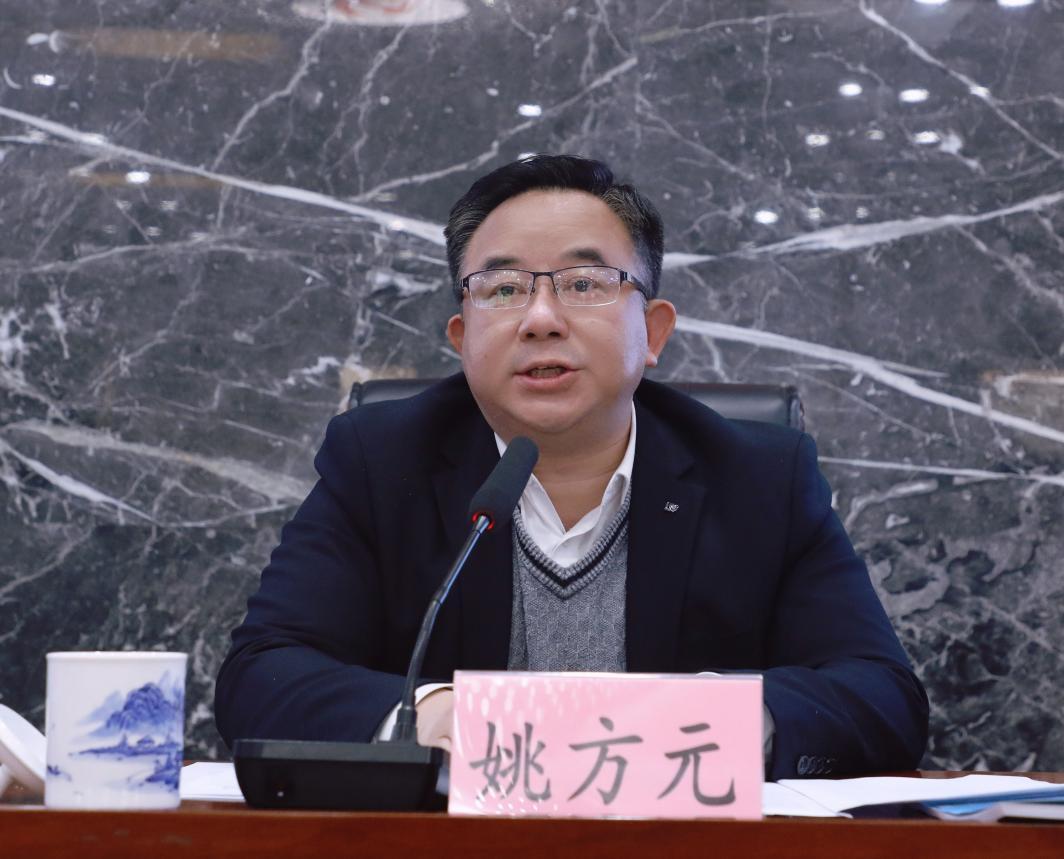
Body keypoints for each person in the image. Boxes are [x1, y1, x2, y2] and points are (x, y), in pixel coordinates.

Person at [215, 155, 928, 780]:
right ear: (462, 338)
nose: (541, 318)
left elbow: (882, 696)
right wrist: (431, 715)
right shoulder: (381, 461)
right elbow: (261, 676)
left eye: (584, 284)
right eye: (503, 289)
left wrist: (712, 719)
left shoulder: (759, 477)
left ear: (653, 331)